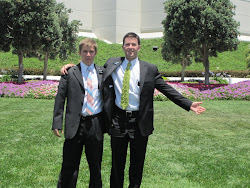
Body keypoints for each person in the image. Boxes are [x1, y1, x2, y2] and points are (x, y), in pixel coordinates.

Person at [61, 32, 206, 188]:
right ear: (123, 47)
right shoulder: (112, 64)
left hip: (139, 122)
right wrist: (73, 67)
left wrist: (188, 104)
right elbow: (91, 67)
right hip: (118, 121)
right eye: (127, 44)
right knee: (117, 165)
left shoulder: (149, 69)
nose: (130, 47)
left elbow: (166, 89)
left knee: (137, 165)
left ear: (139, 47)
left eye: (133, 44)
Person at [52, 38, 106, 188]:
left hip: (95, 125)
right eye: (85, 51)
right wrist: (57, 121)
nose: (88, 54)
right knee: (69, 166)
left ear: (95, 53)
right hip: (74, 124)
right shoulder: (69, 73)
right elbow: (60, 99)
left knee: (95, 167)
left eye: (91, 51)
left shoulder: (103, 72)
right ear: (79, 52)